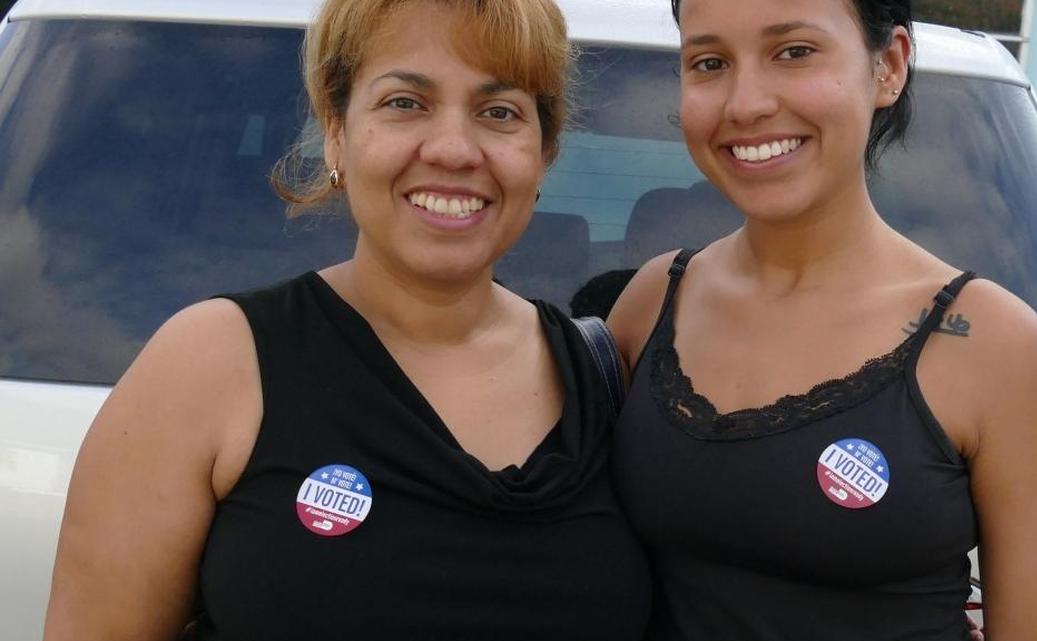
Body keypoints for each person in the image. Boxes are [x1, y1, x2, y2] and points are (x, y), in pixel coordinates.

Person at [43, 0, 651, 639]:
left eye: (499, 113)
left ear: (543, 153)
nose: (451, 149)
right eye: (404, 103)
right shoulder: (212, 363)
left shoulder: (608, 378)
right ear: (335, 129)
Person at [607, 0, 1037, 639]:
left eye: (794, 51)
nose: (745, 104)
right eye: (709, 62)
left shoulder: (989, 342)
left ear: (888, 66)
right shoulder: (653, 302)